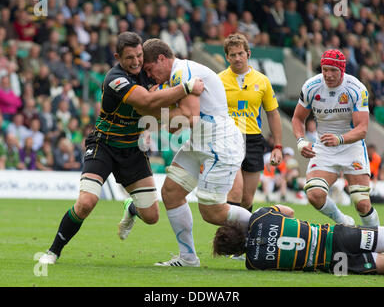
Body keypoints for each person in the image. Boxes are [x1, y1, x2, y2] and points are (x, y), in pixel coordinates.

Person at [39, 32, 204, 264]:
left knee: (152, 216)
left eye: (139, 56)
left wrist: (165, 121)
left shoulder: (148, 75)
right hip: (104, 146)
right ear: (118, 57)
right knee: (86, 202)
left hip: (133, 150)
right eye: (129, 58)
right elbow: (146, 101)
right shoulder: (115, 79)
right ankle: (53, 252)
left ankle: (131, 208)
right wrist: (187, 87)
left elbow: (156, 107)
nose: (136, 62)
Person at [122, 38, 252, 267]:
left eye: (150, 69)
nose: (150, 76)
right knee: (171, 193)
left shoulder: (183, 72)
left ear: (162, 59)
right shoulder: (175, 78)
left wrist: (154, 110)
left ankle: (271, 225)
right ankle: (188, 258)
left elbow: (187, 119)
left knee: (212, 213)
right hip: (199, 142)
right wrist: (162, 110)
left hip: (219, 145)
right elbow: (176, 123)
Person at [291, 49, 379, 227]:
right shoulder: (311, 86)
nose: (328, 75)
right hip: (324, 146)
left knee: (361, 202)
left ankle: (377, 242)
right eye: (325, 70)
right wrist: (301, 141)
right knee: (314, 194)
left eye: (333, 71)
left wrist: (340, 139)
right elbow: (298, 118)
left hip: (351, 145)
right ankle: (344, 222)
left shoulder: (356, 89)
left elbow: (362, 129)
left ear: (342, 70)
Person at [213, 205, 384, 275]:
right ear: (237, 227)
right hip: (335, 235)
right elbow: (290, 212)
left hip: (334, 263)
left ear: (233, 252)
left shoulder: (253, 263)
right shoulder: (260, 217)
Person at [219, 33, 283, 212]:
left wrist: (277, 146)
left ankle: (244, 239)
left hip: (254, 140)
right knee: (235, 193)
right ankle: (228, 239)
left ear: (248, 53)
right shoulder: (218, 80)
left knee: (247, 199)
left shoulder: (262, 81)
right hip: (228, 139)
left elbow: (273, 114)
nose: (237, 58)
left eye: (240, 53)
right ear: (227, 57)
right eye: (233, 55)